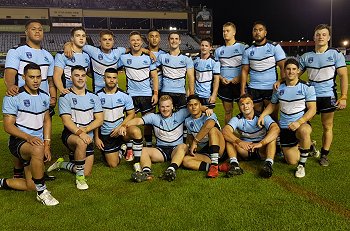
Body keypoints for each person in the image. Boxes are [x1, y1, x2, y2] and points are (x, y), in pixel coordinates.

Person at [4, 19, 56, 179]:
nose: (38, 31)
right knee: (20, 131)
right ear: (26, 32)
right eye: (33, 29)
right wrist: (11, 86)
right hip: (23, 100)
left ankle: (36, 169)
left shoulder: (48, 56)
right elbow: (10, 73)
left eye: (40, 29)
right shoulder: (17, 51)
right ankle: (18, 172)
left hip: (42, 101)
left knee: (41, 129)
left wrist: (53, 95)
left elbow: (50, 81)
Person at [0, 63, 59, 206]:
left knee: (30, 185)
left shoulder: (45, 97)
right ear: (23, 77)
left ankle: (2, 182)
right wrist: (29, 138)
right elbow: (8, 126)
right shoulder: (13, 96)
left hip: (36, 143)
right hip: (18, 141)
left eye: (38, 77)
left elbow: (46, 121)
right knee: (37, 149)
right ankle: (42, 192)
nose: (35, 80)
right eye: (31, 77)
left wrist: (47, 144)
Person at [126, 95, 211, 182]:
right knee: (143, 150)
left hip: (176, 149)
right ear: (159, 107)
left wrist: (207, 109)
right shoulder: (153, 117)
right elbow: (138, 121)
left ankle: (170, 170)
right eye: (162, 106)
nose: (165, 109)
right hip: (161, 150)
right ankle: (146, 172)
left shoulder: (180, 114)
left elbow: (196, 108)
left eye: (167, 106)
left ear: (172, 106)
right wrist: (124, 125)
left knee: (184, 146)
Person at [299, 24, 348, 167]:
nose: (320, 37)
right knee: (302, 123)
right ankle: (310, 145)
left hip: (327, 96)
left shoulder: (335, 54)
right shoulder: (306, 56)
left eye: (324, 34)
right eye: (318, 34)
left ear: (329, 37)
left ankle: (324, 155)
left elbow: (343, 76)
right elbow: (294, 74)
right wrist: (280, 81)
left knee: (327, 126)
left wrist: (343, 96)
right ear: (314, 37)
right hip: (310, 97)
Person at [258, 58, 316, 178]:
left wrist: (299, 122)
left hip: (300, 124)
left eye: (294, 69)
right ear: (284, 71)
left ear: (298, 71)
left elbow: (312, 109)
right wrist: (263, 115)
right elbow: (273, 104)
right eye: (288, 69)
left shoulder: (306, 87)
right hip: (285, 127)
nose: (291, 72)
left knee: (304, 131)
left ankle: (301, 165)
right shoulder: (279, 87)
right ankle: (309, 145)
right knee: (291, 161)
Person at [48, 65, 103, 189]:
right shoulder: (65, 96)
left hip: (87, 134)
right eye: (77, 75)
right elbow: (66, 122)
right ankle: (80, 179)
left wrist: (86, 130)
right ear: (71, 77)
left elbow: (99, 119)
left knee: (87, 171)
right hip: (71, 134)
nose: (80, 78)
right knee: (81, 143)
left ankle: (62, 164)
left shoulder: (94, 96)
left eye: (83, 75)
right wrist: (80, 133)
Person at [118, 31, 159, 161]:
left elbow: (154, 76)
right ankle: (129, 149)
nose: (136, 42)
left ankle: (147, 146)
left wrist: (156, 93)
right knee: (130, 123)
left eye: (138, 40)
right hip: (131, 95)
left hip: (147, 95)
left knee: (148, 122)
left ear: (141, 42)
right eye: (133, 40)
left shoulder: (148, 58)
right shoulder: (123, 58)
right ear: (129, 43)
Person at [93, 68, 143, 169]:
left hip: (121, 131)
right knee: (113, 164)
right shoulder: (97, 96)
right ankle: (122, 149)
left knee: (136, 131)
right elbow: (95, 119)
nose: (111, 80)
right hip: (107, 133)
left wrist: (122, 126)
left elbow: (131, 113)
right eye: (109, 77)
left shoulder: (125, 95)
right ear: (104, 79)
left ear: (117, 79)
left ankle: (137, 163)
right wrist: (96, 138)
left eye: (114, 78)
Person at [222, 94, 280, 178]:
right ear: (239, 106)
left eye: (248, 103)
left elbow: (276, 129)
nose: (245, 106)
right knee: (229, 138)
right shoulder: (237, 119)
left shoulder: (262, 116)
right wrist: (240, 142)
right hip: (246, 149)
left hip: (262, 149)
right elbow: (225, 131)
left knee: (272, 138)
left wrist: (261, 143)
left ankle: (268, 165)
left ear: (252, 105)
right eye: (242, 104)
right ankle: (235, 165)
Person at [241, 21, 286, 114]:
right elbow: (244, 71)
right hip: (254, 89)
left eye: (260, 30)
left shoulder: (274, 47)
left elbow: (283, 67)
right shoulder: (248, 50)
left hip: (272, 88)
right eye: (255, 30)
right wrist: (242, 90)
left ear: (265, 32)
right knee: (257, 117)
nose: (257, 32)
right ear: (252, 33)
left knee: (273, 117)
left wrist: (282, 83)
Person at [182, 95, 225, 178]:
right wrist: (190, 147)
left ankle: (215, 163)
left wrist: (195, 141)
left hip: (220, 148)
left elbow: (209, 126)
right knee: (186, 161)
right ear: (187, 107)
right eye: (190, 105)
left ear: (200, 105)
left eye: (196, 104)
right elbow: (190, 136)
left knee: (212, 129)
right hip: (207, 152)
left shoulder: (209, 114)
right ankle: (217, 167)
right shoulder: (188, 121)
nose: (193, 107)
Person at [214, 22, 248, 124]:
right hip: (225, 85)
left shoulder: (243, 47)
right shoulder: (218, 50)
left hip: (239, 84)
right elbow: (215, 70)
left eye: (227, 31)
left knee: (244, 110)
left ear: (234, 32)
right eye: (223, 31)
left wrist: (240, 78)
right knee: (228, 111)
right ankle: (227, 134)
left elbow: (248, 66)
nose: (225, 33)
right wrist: (220, 78)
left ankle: (246, 133)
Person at [53, 27, 90, 94]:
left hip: (84, 93)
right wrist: (62, 89)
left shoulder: (87, 55)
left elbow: (88, 72)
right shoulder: (62, 55)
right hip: (69, 93)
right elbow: (57, 75)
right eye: (78, 35)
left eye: (83, 36)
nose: (81, 38)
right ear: (72, 38)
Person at [192, 37, 220, 109]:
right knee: (195, 115)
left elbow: (216, 80)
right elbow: (193, 77)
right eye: (202, 45)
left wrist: (214, 95)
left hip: (208, 95)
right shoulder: (195, 60)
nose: (204, 47)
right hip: (196, 94)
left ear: (210, 48)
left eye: (206, 46)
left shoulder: (214, 62)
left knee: (208, 116)